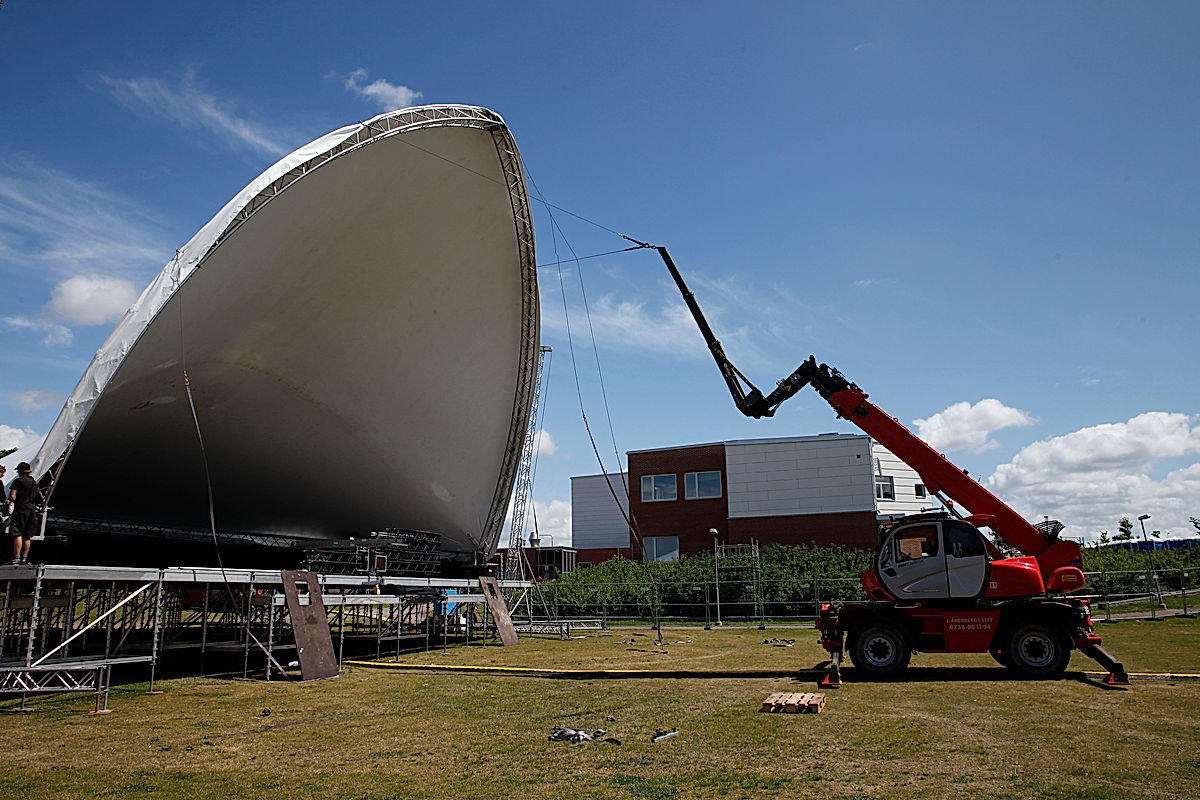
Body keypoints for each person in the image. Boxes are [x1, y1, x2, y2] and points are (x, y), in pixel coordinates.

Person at [8, 462, 39, 565]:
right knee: (27, 535)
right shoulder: (33, 481)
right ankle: (24, 559)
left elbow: (12, 496)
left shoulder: (18, 481)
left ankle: (16, 558)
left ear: (20, 471)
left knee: (18, 533)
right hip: (31, 509)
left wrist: (10, 501)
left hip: (21, 509)